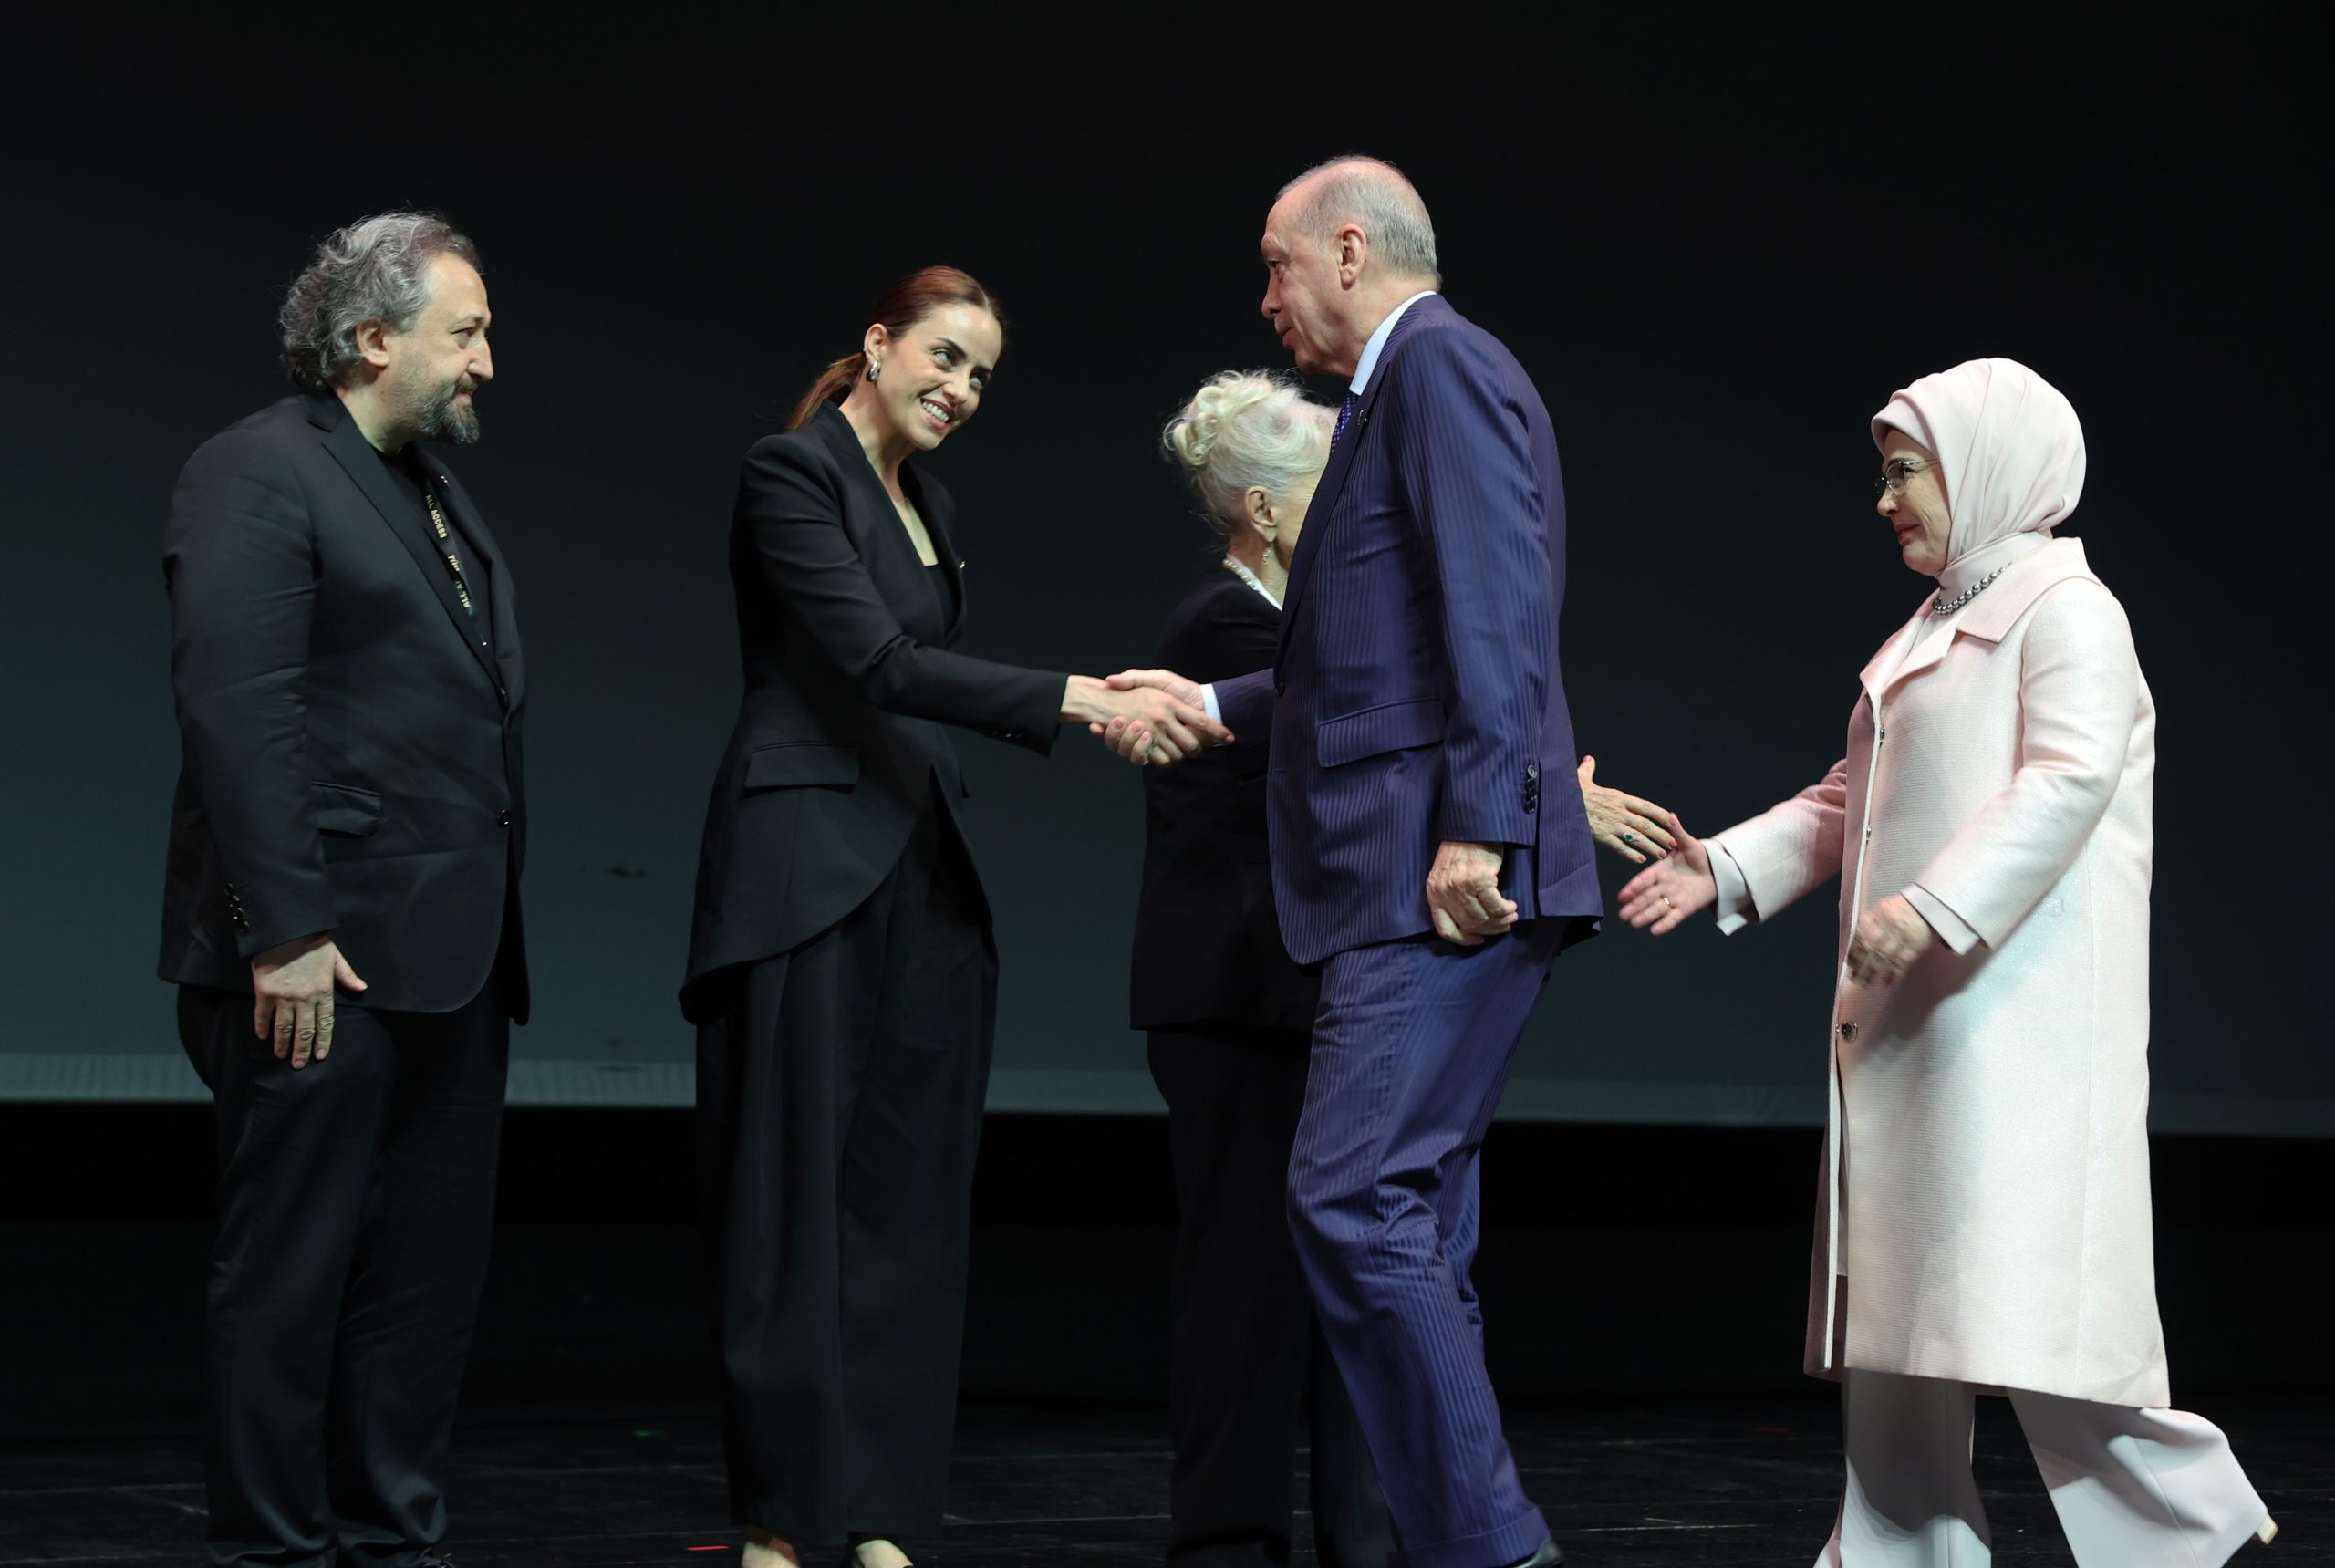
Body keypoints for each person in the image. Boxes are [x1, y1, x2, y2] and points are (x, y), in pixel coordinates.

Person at [1617, 358, 2277, 1566]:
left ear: (1984, 469)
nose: (1885, 500)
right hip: (1919, 1026)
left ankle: (2190, 1529)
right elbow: (1851, 796)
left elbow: (2068, 779)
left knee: (2032, 1319)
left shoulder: (2068, 611)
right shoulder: (1935, 623)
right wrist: (1728, 866)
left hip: (2008, 1021)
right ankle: (1900, 1551)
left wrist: (1932, 907)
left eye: (1905, 472)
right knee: (1901, 1321)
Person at [680, 266, 1226, 1568]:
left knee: (906, 1212)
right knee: (791, 1210)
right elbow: (877, 663)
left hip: (923, 871)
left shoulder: (932, 501)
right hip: (805, 867)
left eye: (981, 374)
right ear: (878, 344)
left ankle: (879, 1516)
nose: (961, 389)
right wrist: (1084, 699)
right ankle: (781, 1522)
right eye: (943, 356)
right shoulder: (791, 472)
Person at [1111, 156, 1598, 1568]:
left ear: (1344, 248)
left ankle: (1491, 1548)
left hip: (1425, 877)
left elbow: (1500, 612)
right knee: (1412, 1228)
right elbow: (1355, 661)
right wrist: (1209, 702)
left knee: (1351, 1200)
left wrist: (1480, 824)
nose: (1266, 302)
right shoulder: (1401, 392)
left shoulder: (1437, 367)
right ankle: (1467, 1546)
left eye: (1274, 266)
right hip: (1407, 871)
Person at [160, 212, 525, 1568]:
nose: (487, 361)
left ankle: (392, 1540)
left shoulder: (425, 487)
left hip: (450, 952)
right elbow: (240, 713)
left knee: (422, 1282)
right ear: (373, 337)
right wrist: (288, 930)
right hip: (324, 957)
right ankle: (273, 1550)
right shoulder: (258, 469)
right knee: (292, 1271)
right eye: (465, 333)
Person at [1140, 370, 1391, 1568]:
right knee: (1242, 1283)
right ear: (1265, 509)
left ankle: (1357, 1533)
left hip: (1290, 995)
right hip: (1238, 1001)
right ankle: (1228, 1541)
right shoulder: (1226, 629)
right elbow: (1344, 728)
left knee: (1325, 1275)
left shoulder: (1283, 629)